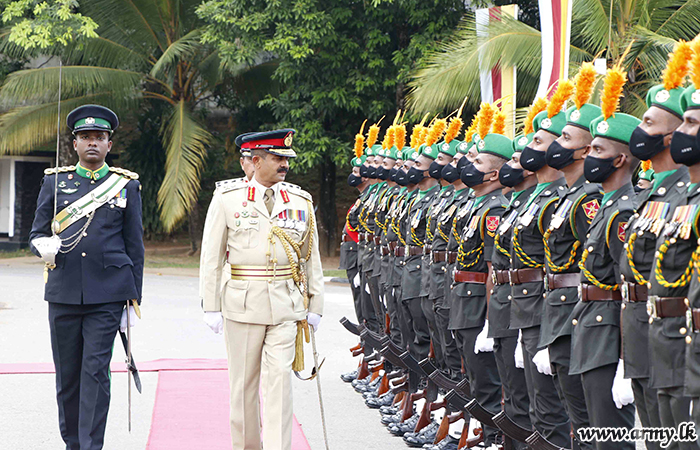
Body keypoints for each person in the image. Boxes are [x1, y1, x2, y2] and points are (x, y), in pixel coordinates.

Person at [199, 128, 324, 450]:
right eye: (277, 158)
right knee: (243, 387)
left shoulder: (300, 200)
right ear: (255, 161)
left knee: (280, 383)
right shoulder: (228, 199)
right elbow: (211, 257)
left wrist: (315, 304)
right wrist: (210, 305)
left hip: (286, 304)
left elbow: (312, 257)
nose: (284, 165)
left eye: (286, 159)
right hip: (243, 304)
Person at [29, 104, 144, 450]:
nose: (92, 143)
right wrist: (42, 247)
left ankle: (91, 446)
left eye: (99, 137)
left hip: (107, 295)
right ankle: (72, 444)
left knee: (95, 373)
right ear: (75, 144)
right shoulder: (55, 182)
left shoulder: (125, 186)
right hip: (63, 292)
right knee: (67, 377)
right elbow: (35, 233)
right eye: (85, 137)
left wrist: (133, 302)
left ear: (109, 144)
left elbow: (134, 246)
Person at [620, 41, 693, 450]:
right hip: (644, 330)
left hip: (676, 338)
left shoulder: (685, 195)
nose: (639, 132)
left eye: (648, 123)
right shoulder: (652, 196)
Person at [569, 65, 639, 450]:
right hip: (590, 329)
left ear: (621, 160)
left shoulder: (624, 212)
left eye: (598, 150)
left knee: (610, 438)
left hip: (609, 334)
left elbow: (632, 289)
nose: (589, 156)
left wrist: (628, 362)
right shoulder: (607, 207)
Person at [539, 63, 602, 450]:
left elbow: (594, 265)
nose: (554, 147)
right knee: (570, 413)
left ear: (585, 149)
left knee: (585, 419)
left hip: (576, 318)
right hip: (557, 313)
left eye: (564, 137)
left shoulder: (589, 200)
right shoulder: (567, 197)